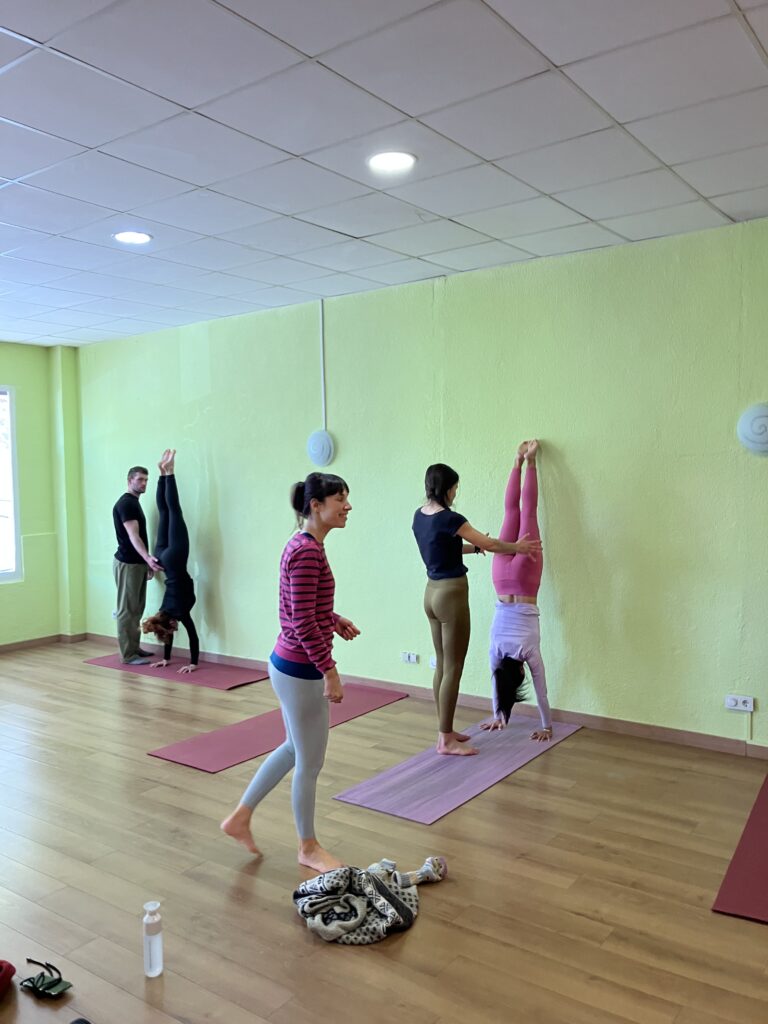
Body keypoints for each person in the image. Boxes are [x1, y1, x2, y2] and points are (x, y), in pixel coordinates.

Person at [221, 472, 360, 872]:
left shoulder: (305, 545)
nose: (347, 506)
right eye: (340, 499)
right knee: (310, 763)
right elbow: (300, 621)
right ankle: (307, 847)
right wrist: (330, 671)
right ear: (316, 505)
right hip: (301, 670)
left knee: (293, 749)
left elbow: (304, 607)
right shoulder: (307, 552)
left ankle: (240, 818)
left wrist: (332, 618)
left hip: (292, 665)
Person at [413, 464, 541, 756]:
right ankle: (445, 740)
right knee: (453, 667)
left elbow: (444, 548)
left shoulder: (419, 516)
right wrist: (518, 547)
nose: (455, 493)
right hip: (451, 595)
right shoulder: (451, 518)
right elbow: (491, 542)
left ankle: (444, 729)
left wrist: (474, 549)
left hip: (430, 593)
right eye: (455, 488)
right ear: (447, 488)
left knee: (442, 664)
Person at [483, 440, 552, 742]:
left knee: (528, 513)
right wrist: (497, 713)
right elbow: (496, 684)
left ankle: (531, 460)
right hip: (501, 579)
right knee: (511, 512)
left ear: (521, 672)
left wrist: (547, 726)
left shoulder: (529, 652)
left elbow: (542, 692)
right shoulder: (496, 651)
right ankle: (517, 460)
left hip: (526, 581)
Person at [142, 449, 199, 674]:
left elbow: (193, 637)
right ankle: (162, 473)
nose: (174, 629)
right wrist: (165, 658)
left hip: (175, 558)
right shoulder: (163, 611)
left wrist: (193, 663)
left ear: (171, 624)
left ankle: (170, 471)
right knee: (164, 512)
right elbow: (166, 631)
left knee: (174, 511)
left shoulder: (180, 613)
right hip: (162, 560)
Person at [112, 465, 162, 665]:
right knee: (127, 610)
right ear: (129, 480)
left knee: (137, 608)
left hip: (137, 563)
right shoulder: (126, 504)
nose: (144, 483)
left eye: (146, 480)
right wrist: (148, 558)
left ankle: (134, 648)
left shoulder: (134, 502)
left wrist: (145, 562)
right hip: (127, 564)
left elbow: (140, 536)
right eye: (140, 479)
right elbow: (133, 536)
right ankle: (127, 655)